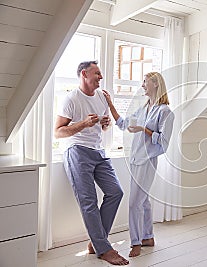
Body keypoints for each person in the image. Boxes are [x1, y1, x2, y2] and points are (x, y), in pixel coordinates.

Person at [54, 61, 129, 266]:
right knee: (88, 202)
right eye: (97, 73)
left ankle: (97, 242)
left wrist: (105, 124)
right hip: (77, 151)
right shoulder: (71, 99)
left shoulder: (102, 97)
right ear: (84, 74)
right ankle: (104, 249)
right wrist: (83, 124)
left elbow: (103, 129)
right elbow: (58, 131)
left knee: (116, 192)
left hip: (98, 151)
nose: (101, 77)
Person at [103, 71, 174, 257]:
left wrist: (144, 129)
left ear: (155, 84)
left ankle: (136, 242)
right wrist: (110, 104)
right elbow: (123, 123)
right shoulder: (143, 108)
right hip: (135, 159)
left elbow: (164, 142)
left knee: (135, 202)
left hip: (147, 161)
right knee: (143, 201)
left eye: (145, 82)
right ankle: (148, 236)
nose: (142, 85)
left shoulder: (165, 111)